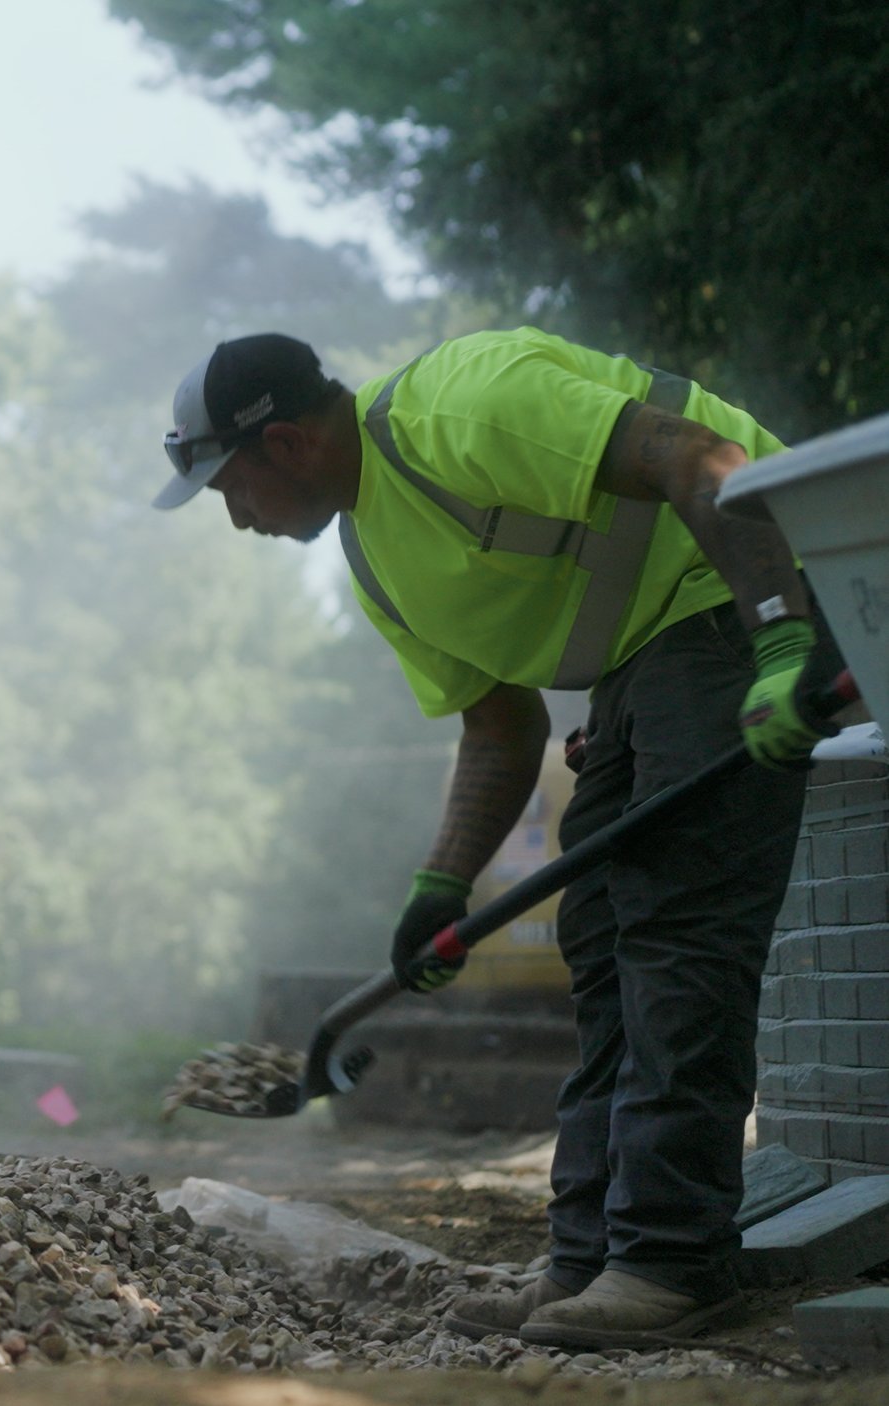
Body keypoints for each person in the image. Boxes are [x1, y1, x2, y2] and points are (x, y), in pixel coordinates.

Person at [154, 328, 845, 1350]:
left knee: (675, 936)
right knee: (602, 938)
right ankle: (585, 1259)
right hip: (642, 660)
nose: (237, 518)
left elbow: (696, 457)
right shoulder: (375, 556)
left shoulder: (452, 409)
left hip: (742, 587)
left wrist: (782, 636)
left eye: (230, 491)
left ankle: (668, 1261)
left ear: (289, 444)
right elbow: (499, 721)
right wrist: (440, 884)